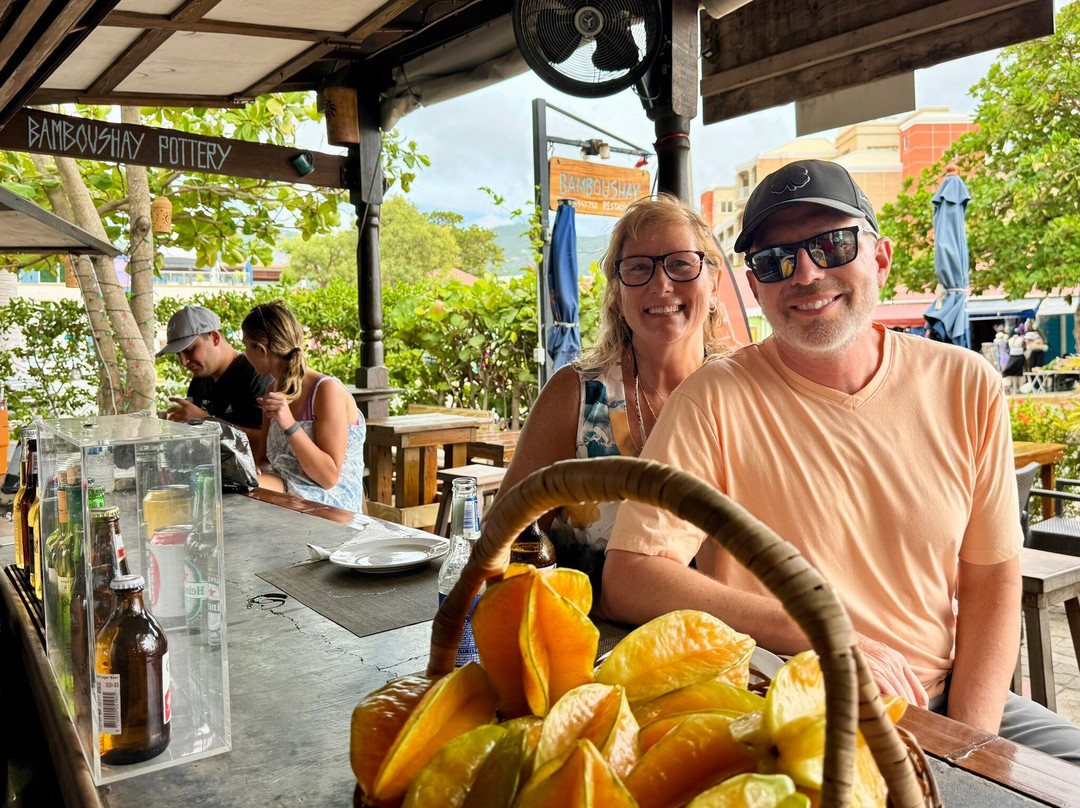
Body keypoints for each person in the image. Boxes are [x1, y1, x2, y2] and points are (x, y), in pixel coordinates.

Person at [602, 159, 1080, 763]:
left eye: (832, 245)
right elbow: (630, 576)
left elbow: (991, 578)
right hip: (798, 705)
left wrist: (969, 741)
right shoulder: (714, 397)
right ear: (755, 286)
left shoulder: (966, 383)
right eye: (775, 261)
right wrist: (818, 629)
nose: (805, 273)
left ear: (880, 258)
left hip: (948, 698)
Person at [496, 194, 728, 598]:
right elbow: (506, 536)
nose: (661, 284)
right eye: (638, 267)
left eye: (680, 264)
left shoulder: (741, 390)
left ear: (713, 286)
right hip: (592, 628)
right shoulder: (576, 395)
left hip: (722, 627)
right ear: (618, 295)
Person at [241, 301, 366, 511]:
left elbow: (328, 478)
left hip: (332, 508)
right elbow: (265, 460)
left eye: (246, 345)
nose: (244, 353)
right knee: (235, 489)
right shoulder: (273, 389)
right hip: (289, 497)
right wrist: (256, 470)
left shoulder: (327, 391)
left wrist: (289, 424)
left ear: (261, 350)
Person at [158, 305, 272, 444]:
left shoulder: (257, 374)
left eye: (189, 350)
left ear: (214, 338)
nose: (183, 361)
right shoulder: (199, 380)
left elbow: (268, 444)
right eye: (178, 354)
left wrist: (207, 422)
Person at [1004, 326, 1027, 393]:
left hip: (1020, 356)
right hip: (1012, 356)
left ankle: (1019, 387)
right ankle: (1013, 387)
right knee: (1010, 372)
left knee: (1019, 373)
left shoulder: (1021, 339)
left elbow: (1024, 347)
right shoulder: (1010, 340)